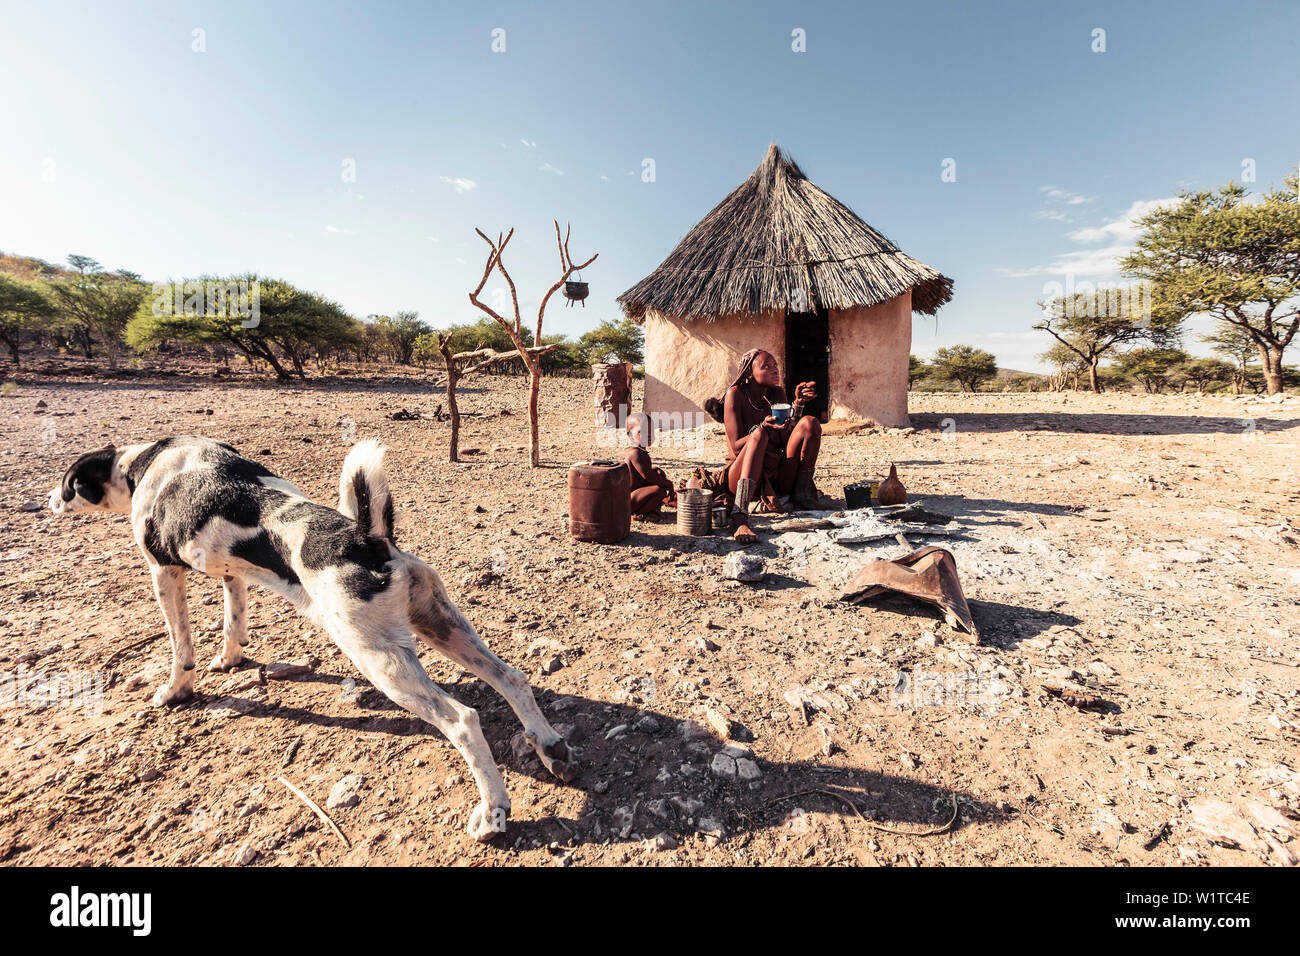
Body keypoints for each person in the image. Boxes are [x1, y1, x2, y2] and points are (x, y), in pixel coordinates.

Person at [720, 349, 822, 542]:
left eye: (775, 366)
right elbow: (735, 447)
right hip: (742, 475)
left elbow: (785, 439)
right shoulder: (735, 395)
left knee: (810, 423)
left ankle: (802, 494)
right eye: (766, 367)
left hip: (776, 475)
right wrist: (762, 428)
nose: (774, 370)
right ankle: (739, 516)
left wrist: (798, 405)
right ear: (749, 373)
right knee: (758, 435)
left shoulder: (777, 393)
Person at [624, 412, 676, 520]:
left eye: (650, 431)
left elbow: (644, 472)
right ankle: (639, 513)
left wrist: (656, 471)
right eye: (641, 431)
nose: (648, 435)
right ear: (629, 434)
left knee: (659, 473)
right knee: (659, 491)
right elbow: (647, 476)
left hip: (637, 494)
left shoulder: (641, 450)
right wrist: (668, 484)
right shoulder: (635, 453)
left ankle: (649, 510)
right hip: (629, 500)